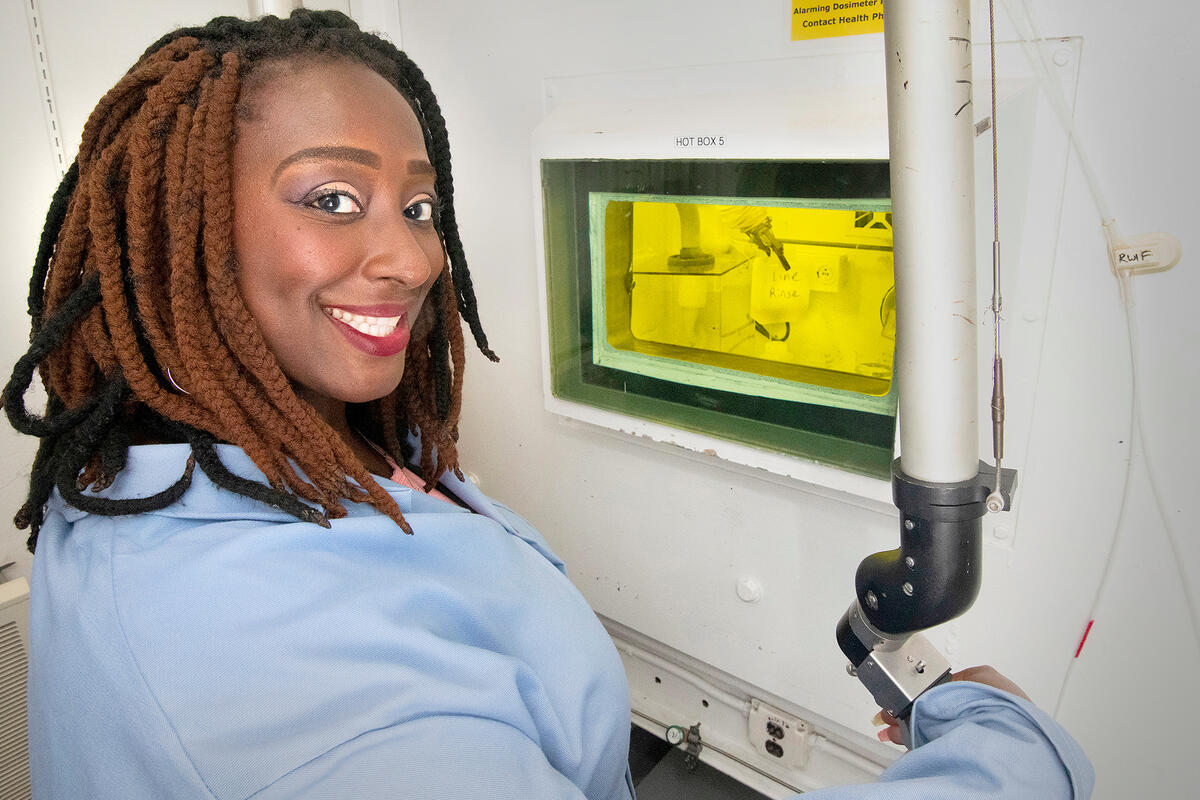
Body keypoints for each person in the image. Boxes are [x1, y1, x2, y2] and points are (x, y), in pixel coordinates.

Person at [2, 10, 1092, 799]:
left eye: (420, 202)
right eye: (331, 198)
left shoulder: (143, 467)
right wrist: (1011, 752)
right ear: (179, 233)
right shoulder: (296, 694)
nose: (410, 255)